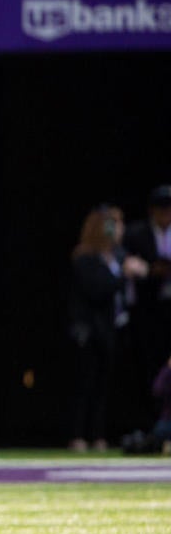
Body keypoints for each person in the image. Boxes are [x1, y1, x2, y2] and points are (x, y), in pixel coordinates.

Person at [67, 205, 148, 452]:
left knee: (104, 386)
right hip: (90, 332)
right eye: (115, 225)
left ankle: (99, 435)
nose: (120, 230)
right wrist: (124, 274)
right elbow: (97, 290)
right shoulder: (85, 258)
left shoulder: (120, 255)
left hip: (113, 329)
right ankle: (78, 435)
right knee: (86, 383)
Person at [122, 185, 171, 418]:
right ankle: (149, 421)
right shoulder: (136, 233)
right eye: (162, 208)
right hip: (147, 309)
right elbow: (125, 261)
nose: (166, 214)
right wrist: (149, 270)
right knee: (148, 366)